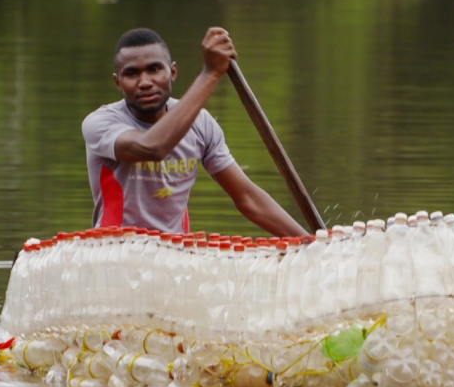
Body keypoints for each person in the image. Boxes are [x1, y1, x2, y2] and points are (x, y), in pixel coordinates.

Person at [82, 26, 309, 237]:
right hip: (113, 253)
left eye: (154, 70)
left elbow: (248, 198)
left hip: (176, 256)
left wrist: (311, 244)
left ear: (172, 72)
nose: (145, 82)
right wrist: (210, 74)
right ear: (118, 83)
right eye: (132, 74)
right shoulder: (100, 123)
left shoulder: (200, 123)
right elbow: (151, 147)